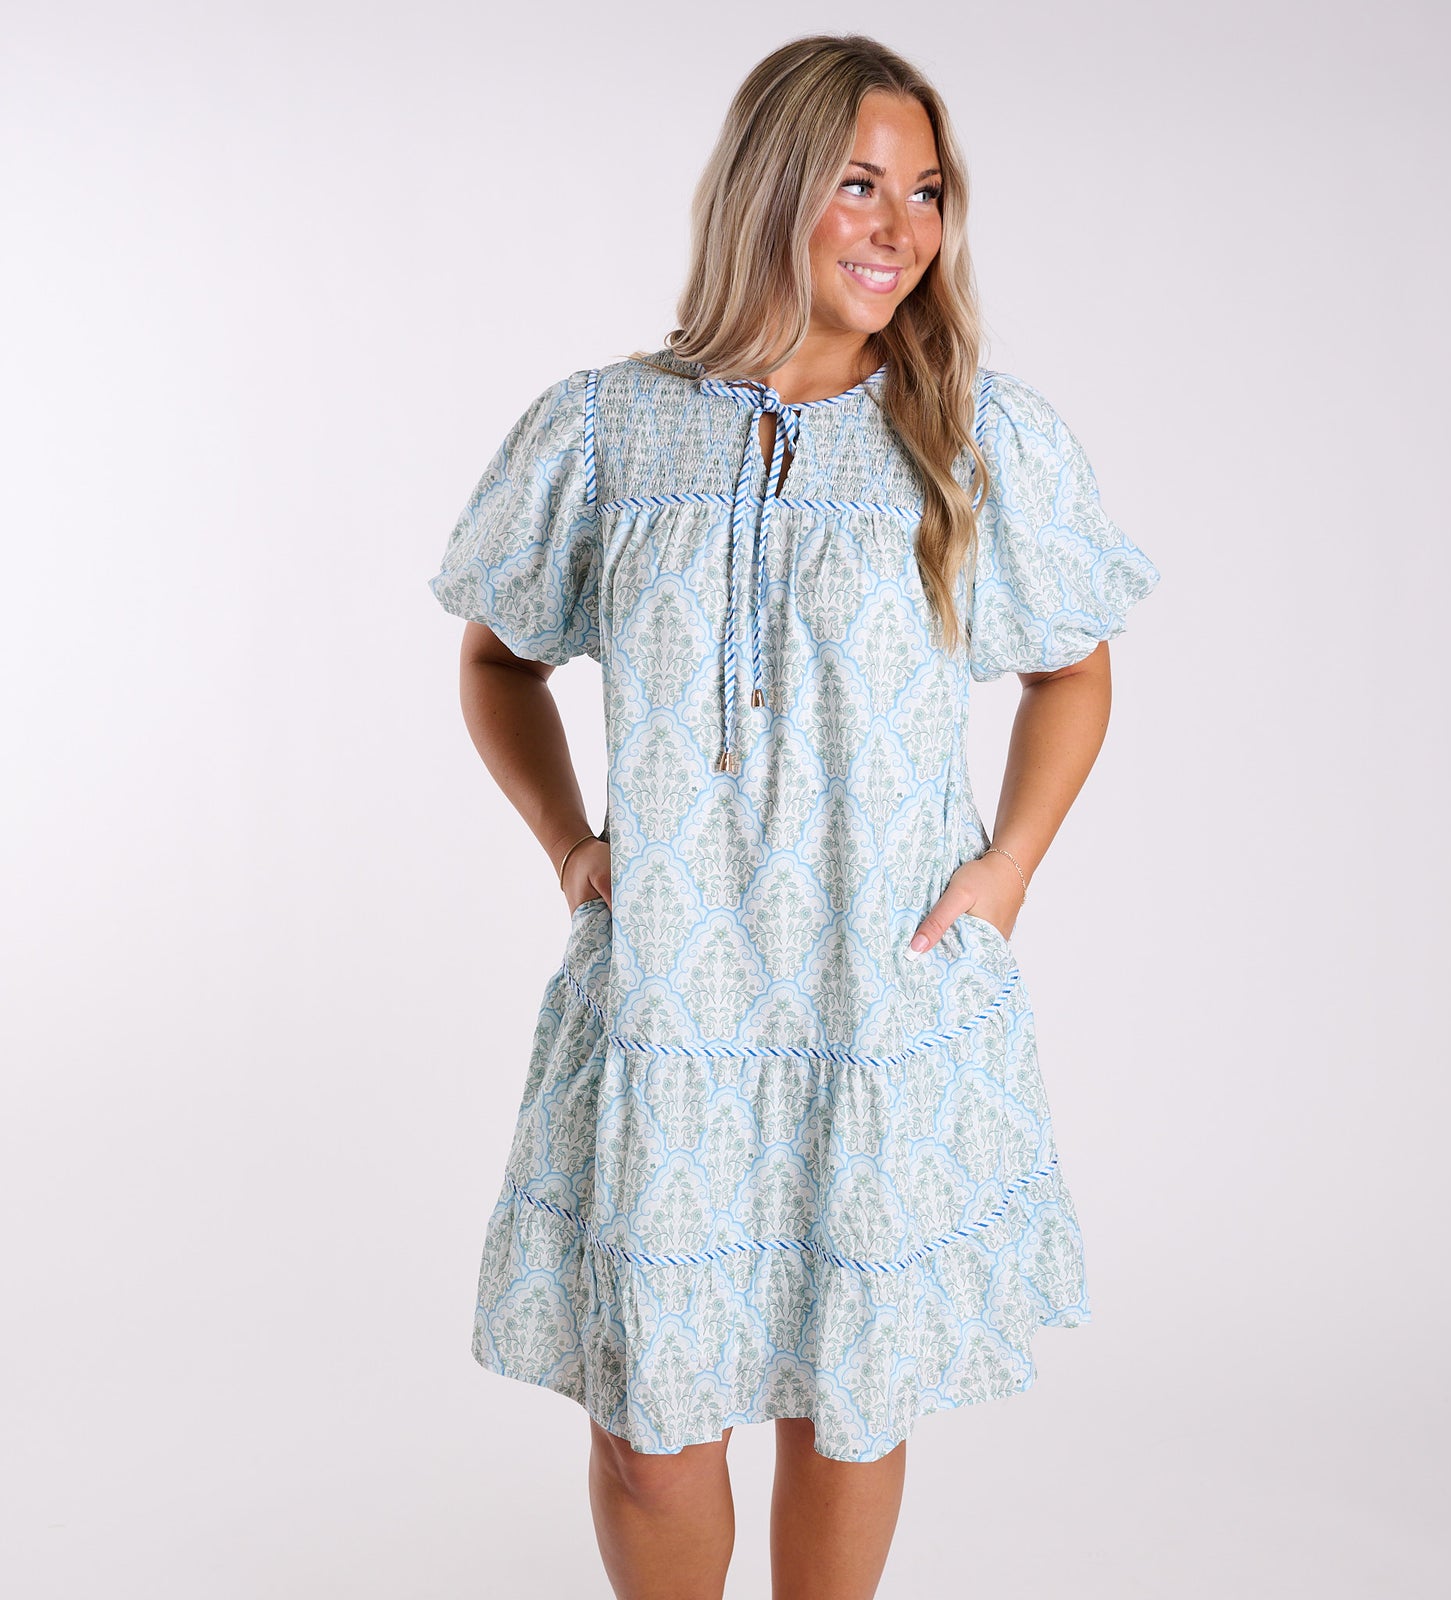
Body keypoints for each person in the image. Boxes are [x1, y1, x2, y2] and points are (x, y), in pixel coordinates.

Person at [427, 31, 1161, 1600]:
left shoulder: (972, 434)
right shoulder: (608, 433)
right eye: (859, 183)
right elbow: (496, 661)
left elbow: (1074, 674)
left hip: (869, 989)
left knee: (847, 1398)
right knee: (649, 1421)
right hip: (672, 996)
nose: (901, 225)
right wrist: (572, 847)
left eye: (928, 192)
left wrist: (1007, 869)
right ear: (772, 191)